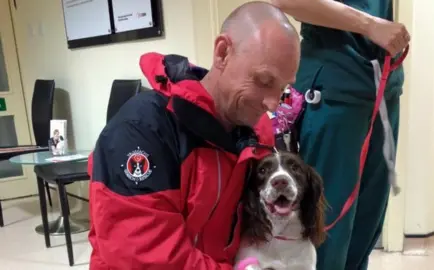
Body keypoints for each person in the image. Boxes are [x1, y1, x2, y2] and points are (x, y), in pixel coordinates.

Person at [87, 2, 300, 270]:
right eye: (264, 81)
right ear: (223, 53)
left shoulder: (259, 134)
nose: (272, 104)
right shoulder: (142, 128)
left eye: (282, 90)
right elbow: (142, 256)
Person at [270, 0, 410, 269]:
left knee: (367, 223)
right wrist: (369, 25)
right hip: (336, 87)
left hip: (383, 85)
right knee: (329, 227)